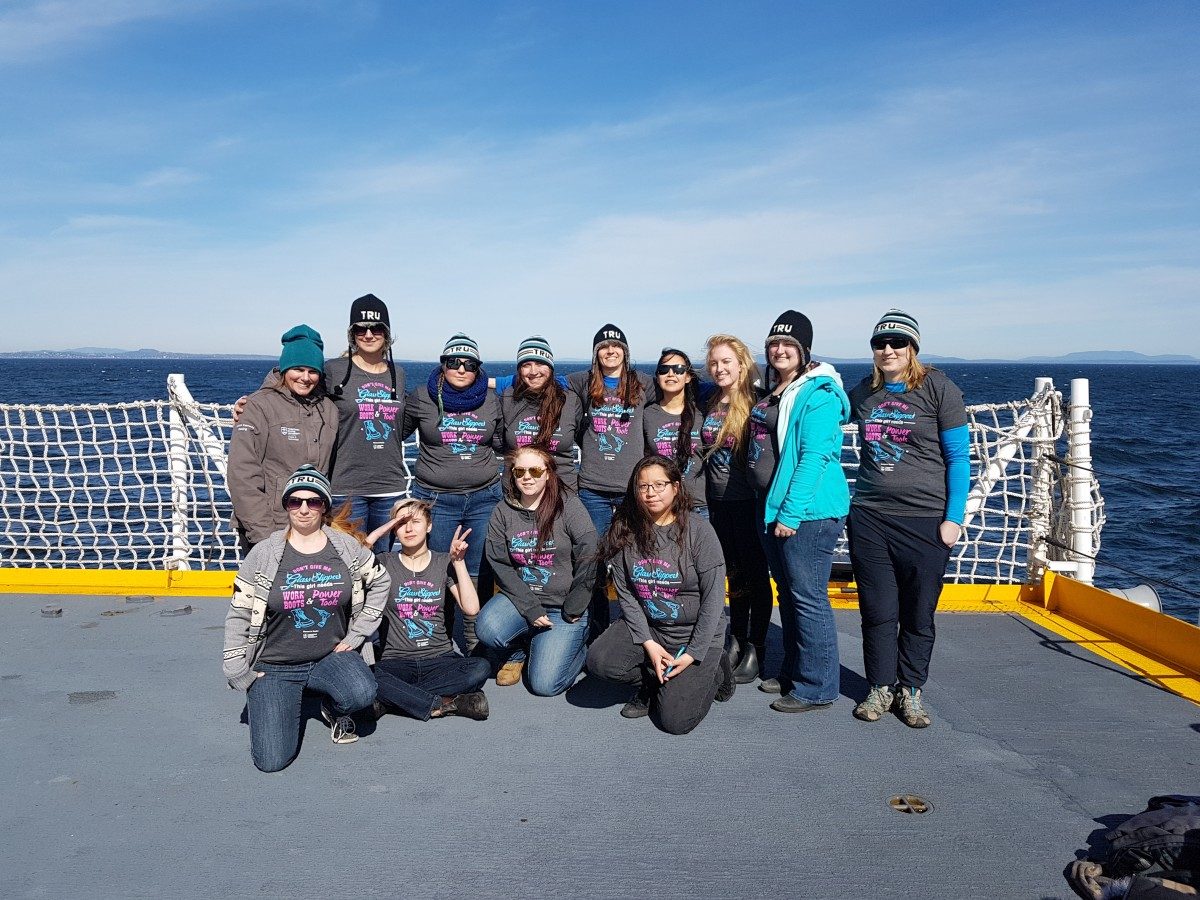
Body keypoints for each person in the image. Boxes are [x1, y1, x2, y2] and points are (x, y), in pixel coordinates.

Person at [847, 310, 969, 728]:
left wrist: (953, 518)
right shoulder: (863, 392)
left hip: (925, 520)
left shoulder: (938, 388)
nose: (888, 350)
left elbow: (958, 457)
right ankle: (881, 687)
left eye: (897, 343)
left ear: (913, 347)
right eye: (880, 343)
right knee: (878, 610)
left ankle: (911, 690)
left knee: (919, 612)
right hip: (870, 518)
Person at [222, 465, 388, 772]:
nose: (303, 509)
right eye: (294, 501)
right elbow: (239, 613)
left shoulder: (345, 547)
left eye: (312, 501)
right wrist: (236, 669)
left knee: (363, 691)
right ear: (286, 505)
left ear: (323, 506)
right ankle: (279, 696)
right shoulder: (264, 554)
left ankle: (330, 705)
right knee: (272, 760)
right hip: (275, 665)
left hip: (330, 655)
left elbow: (381, 581)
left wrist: (358, 634)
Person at [586, 455, 735, 735]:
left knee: (675, 721)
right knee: (600, 661)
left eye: (659, 484)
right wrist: (647, 643)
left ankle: (716, 669)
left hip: (694, 634)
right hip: (653, 628)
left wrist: (694, 653)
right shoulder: (624, 530)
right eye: (643, 486)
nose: (650, 492)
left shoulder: (699, 532)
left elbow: (714, 599)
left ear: (676, 487)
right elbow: (627, 595)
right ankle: (651, 681)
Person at [755, 311, 851, 714]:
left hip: (808, 512)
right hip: (777, 506)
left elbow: (814, 457)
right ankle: (796, 669)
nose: (780, 349)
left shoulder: (819, 393)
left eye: (788, 344)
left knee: (808, 596)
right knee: (790, 594)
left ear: (804, 350)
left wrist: (791, 514)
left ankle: (818, 686)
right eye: (774, 343)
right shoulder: (777, 390)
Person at [400, 332, 503, 650]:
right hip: (435, 500)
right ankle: (439, 640)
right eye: (453, 362)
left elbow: (502, 441)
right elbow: (395, 431)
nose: (460, 368)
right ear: (442, 365)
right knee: (440, 570)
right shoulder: (420, 396)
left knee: (478, 570)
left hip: (484, 497)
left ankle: (476, 640)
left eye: (468, 363)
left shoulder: (491, 400)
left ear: (478, 368)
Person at [475, 447, 598, 695]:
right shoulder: (503, 511)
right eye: (519, 471)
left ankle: (579, 647)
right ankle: (520, 648)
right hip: (523, 601)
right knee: (487, 628)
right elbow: (500, 564)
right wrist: (529, 607)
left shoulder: (569, 506)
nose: (527, 477)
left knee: (544, 685)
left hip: (564, 608)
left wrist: (576, 603)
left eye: (535, 471)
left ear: (548, 474)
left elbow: (590, 551)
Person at [366, 499, 490, 721]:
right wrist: (381, 531)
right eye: (401, 523)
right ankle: (445, 703)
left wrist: (459, 563)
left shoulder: (444, 562)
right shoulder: (384, 562)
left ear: (429, 525)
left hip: (440, 658)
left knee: (480, 668)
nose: (409, 528)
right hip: (396, 661)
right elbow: (356, 558)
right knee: (366, 676)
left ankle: (395, 698)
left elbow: (471, 608)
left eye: (415, 521)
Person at [567, 324, 653, 637]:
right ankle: (597, 628)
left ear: (625, 351)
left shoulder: (643, 383)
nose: (610, 351)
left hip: (632, 490)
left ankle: (638, 627)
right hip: (592, 489)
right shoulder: (584, 381)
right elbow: (542, 379)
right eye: (603, 347)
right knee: (592, 560)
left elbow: (681, 388)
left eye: (616, 346)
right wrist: (487, 381)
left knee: (638, 558)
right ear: (596, 353)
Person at [701, 335, 774, 683]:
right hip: (717, 503)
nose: (719, 368)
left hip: (749, 503)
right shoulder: (709, 399)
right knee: (733, 574)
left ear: (742, 364)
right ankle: (738, 638)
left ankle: (757, 646)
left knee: (756, 575)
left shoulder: (759, 401)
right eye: (714, 362)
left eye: (727, 361)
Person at [227, 325, 337, 550]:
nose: (305, 378)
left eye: (313, 371)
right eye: (298, 369)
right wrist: (264, 536)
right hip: (269, 528)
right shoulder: (258, 406)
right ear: (284, 368)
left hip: (313, 527)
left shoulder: (329, 409)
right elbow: (242, 474)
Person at [324, 294, 408, 553]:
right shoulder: (334, 371)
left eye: (377, 328)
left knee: (386, 564)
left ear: (387, 334)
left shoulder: (398, 374)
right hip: (345, 487)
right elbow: (295, 382)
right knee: (348, 561)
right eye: (361, 328)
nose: (369, 334)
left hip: (389, 487)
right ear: (352, 333)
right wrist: (252, 402)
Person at [498, 336, 581, 491]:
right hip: (517, 492)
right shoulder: (508, 398)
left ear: (550, 368)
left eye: (540, 363)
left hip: (562, 492)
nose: (533, 371)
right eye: (526, 365)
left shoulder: (570, 400)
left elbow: (582, 435)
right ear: (519, 370)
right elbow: (498, 440)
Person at [642, 347, 707, 516]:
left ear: (688, 376)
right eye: (664, 370)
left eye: (678, 369)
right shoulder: (647, 415)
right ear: (657, 377)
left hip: (698, 506)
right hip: (660, 507)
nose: (671, 374)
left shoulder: (702, 413)